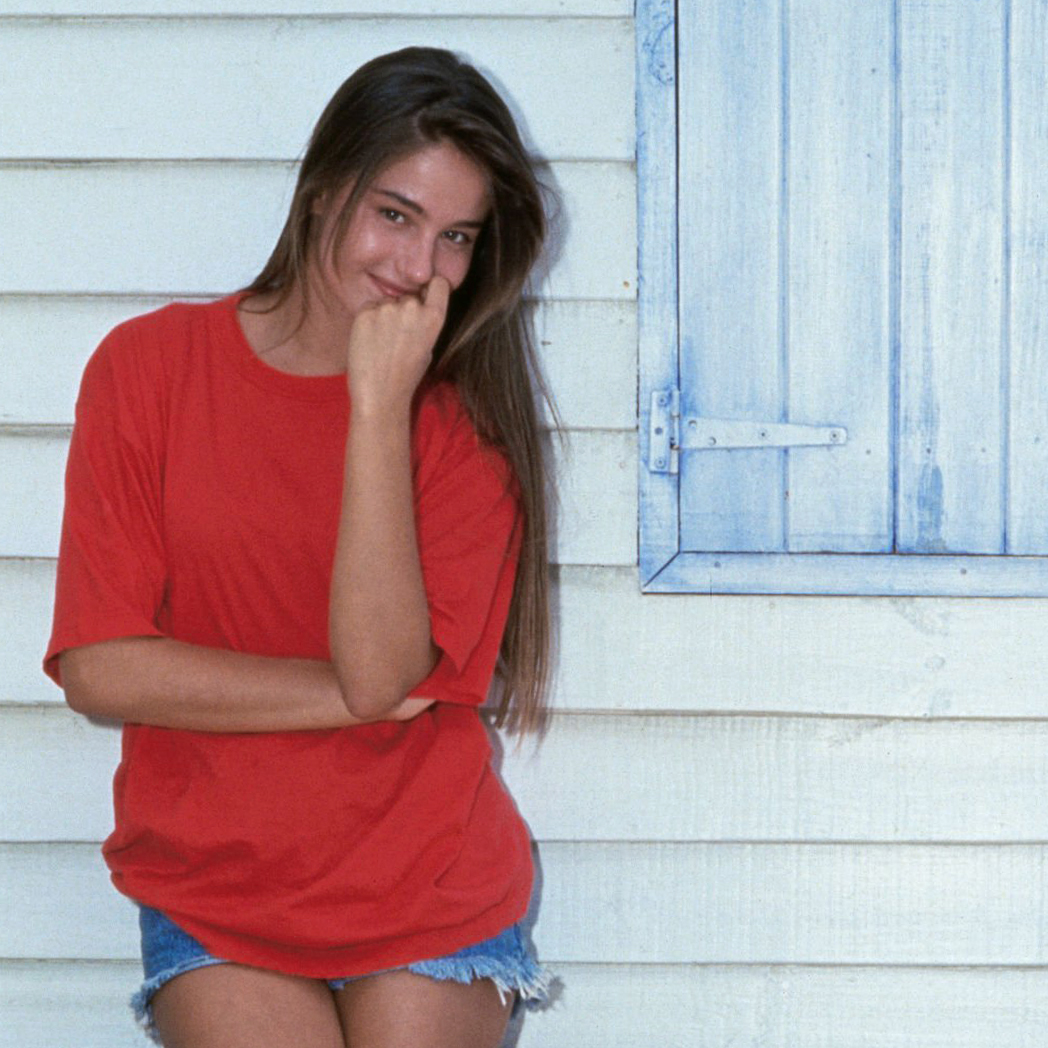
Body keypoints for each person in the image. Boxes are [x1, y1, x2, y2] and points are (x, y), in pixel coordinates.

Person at [44, 46, 555, 1048]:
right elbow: (101, 666)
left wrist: (376, 406)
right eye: (395, 214)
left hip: (429, 879)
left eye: (455, 236)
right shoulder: (148, 370)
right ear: (324, 194)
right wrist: (348, 694)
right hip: (215, 886)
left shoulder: (463, 432)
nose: (418, 267)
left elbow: (383, 669)